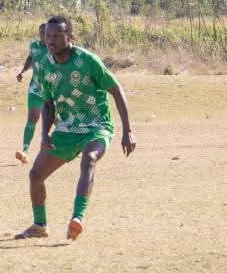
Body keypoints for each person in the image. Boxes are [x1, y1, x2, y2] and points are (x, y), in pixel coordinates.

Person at [15, 15, 136, 242]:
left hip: (96, 125)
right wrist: (44, 134)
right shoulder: (44, 65)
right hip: (66, 129)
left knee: (89, 158)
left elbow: (116, 90)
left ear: (70, 37)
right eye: (48, 36)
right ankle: (39, 225)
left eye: (57, 36)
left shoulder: (87, 60)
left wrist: (128, 130)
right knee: (35, 175)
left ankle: (77, 219)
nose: (51, 41)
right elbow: (48, 102)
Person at [14, 23, 51, 165]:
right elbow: (30, 58)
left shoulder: (54, 48)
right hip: (35, 88)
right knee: (32, 118)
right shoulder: (34, 46)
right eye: (42, 32)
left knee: (56, 119)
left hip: (52, 89)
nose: (44, 35)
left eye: (46, 32)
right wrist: (23, 71)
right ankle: (25, 151)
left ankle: (75, 145)